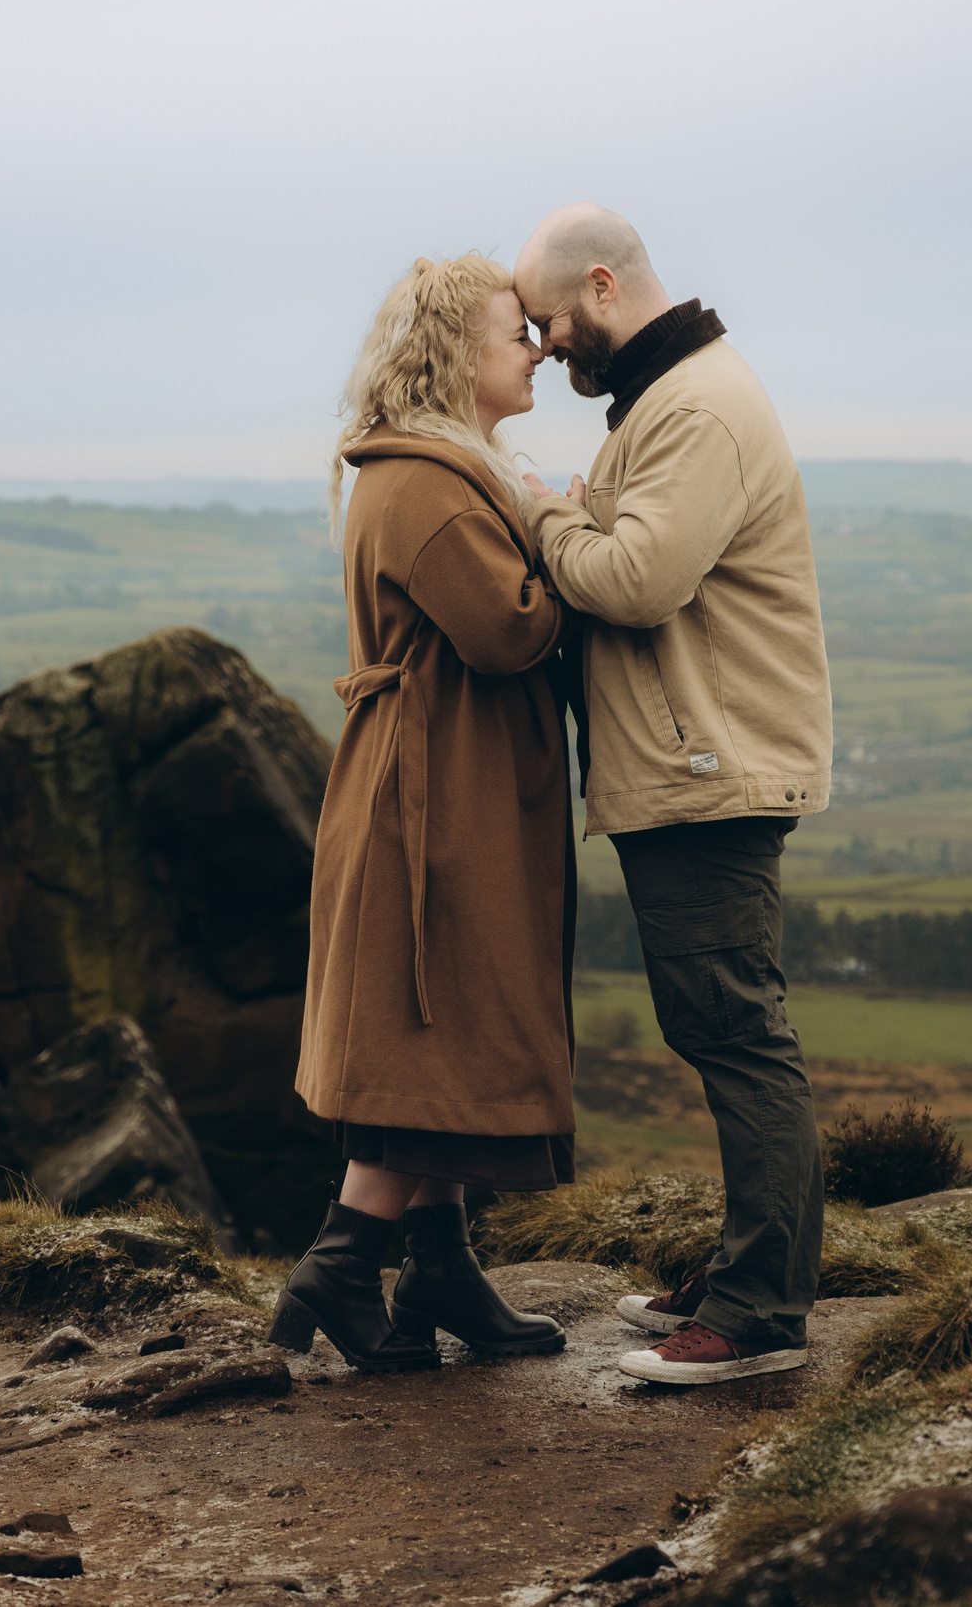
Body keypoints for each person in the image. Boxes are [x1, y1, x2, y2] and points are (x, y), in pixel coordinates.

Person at [514, 203, 834, 1385]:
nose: (545, 349)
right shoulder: (668, 398)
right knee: (723, 1027)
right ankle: (756, 1269)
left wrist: (536, 505)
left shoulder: (693, 406)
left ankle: (756, 1316)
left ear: (601, 285)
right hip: (698, 761)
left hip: (710, 768)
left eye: (549, 321)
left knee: (735, 1034)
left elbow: (636, 578)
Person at [273, 253, 579, 1372]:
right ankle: (344, 1262)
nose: (538, 348)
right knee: (426, 1019)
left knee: (440, 1026)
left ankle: (438, 1265)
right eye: (517, 333)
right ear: (455, 351)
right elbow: (506, 629)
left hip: (451, 784)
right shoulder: (425, 483)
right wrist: (565, 535)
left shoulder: (439, 471)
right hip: (435, 798)